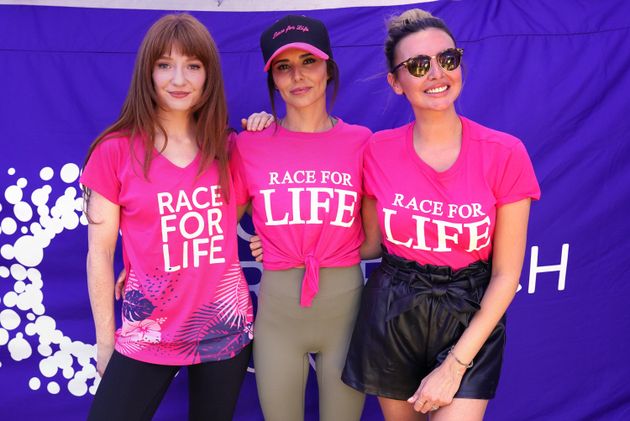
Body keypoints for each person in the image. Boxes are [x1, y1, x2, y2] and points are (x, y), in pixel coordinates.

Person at [341, 9, 540, 421]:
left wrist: (455, 365)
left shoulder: (504, 153)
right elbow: (369, 243)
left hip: (469, 312)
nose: (436, 73)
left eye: (447, 59)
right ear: (396, 82)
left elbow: (506, 275)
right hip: (393, 310)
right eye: (418, 65)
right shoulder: (376, 150)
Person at [80, 14, 255, 420]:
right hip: (147, 331)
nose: (179, 79)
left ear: (208, 74)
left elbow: (232, 216)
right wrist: (106, 343)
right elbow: (98, 256)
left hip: (223, 328)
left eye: (193, 65)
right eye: (165, 65)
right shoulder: (114, 151)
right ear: (148, 72)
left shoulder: (229, 147)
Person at [230, 14, 377, 421]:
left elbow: (375, 240)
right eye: (283, 67)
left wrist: (312, 240)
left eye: (308, 61)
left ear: (328, 67)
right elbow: (215, 225)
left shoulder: (361, 142)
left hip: (345, 313)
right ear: (273, 80)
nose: (297, 76)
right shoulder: (251, 145)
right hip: (279, 318)